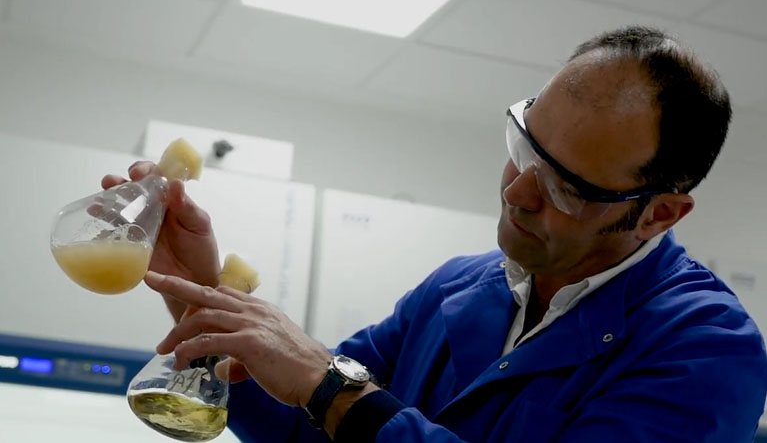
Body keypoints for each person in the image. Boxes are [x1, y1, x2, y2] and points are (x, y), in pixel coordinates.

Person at [104, 26, 767, 442]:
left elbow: (332, 399)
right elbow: (308, 430)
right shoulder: (458, 286)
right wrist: (201, 296)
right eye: (524, 147)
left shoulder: (705, 352)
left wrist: (329, 386)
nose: (516, 191)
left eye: (565, 186)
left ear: (658, 213)